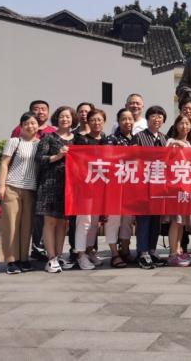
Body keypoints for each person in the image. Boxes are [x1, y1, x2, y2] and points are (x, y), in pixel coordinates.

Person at [10, 100, 56, 262]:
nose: (40, 112)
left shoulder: (52, 132)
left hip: (44, 181)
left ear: (48, 113)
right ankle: (16, 255)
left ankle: (38, 247)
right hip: (21, 182)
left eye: (43, 109)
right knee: (22, 219)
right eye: (36, 109)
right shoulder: (19, 130)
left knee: (41, 216)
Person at [0, 112, 40, 274]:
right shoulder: (14, 142)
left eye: (33, 123)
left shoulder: (41, 144)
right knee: (11, 225)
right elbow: (4, 164)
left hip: (31, 189)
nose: (30, 126)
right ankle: (11, 260)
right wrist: (1, 186)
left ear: (38, 126)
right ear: (21, 126)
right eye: (26, 123)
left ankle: (24, 259)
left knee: (27, 226)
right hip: (12, 187)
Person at [35, 106, 77, 273]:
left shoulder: (77, 139)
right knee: (50, 221)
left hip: (70, 186)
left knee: (63, 223)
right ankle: (51, 258)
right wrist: (58, 156)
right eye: (61, 116)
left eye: (68, 117)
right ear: (56, 119)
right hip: (50, 184)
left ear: (73, 120)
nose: (65, 119)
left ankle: (59, 256)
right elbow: (39, 159)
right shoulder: (48, 137)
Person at [72, 108, 108, 270]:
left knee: (94, 222)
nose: (96, 123)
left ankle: (89, 250)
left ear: (104, 122)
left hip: (101, 186)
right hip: (85, 186)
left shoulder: (107, 140)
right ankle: (80, 254)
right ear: (88, 121)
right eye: (93, 120)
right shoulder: (81, 139)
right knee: (84, 221)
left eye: (99, 120)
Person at [134, 106, 168, 269]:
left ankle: (152, 250)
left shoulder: (164, 138)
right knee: (144, 219)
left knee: (156, 220)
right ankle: (142, 252)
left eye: (160, 116)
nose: (157, 119)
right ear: (147, 119)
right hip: (143, 186)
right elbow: (133, 159)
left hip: (159, 186)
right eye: (153, 116)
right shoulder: (139, 137)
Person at [104, 108, 138, 268]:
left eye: (130, 119)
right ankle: (114, 254)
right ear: (118, 121)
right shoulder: (111, 139)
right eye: (124, 119)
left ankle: (125, 250)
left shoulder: (136, 139)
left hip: (132, 186)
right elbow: (107, 158)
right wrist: (128, 154)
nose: (127, 122)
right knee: (114, 220)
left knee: (127, 221)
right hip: (115, 186)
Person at [67, 101, 95, 265]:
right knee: (78, 221)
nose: (84, 114)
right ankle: (77, 252)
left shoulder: (100, 135)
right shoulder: (73, 136)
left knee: (93, 220)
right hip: (79, 184)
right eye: (81, 111)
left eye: (87, 112)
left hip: (96, 183)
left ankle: (90, 250)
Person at [165, 114, 191, 267]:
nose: (184, 126)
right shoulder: (171, 141)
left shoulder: (189, 144)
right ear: (176, 126)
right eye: (181, 123)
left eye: (187, 123)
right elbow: (166, 155)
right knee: (175, 221)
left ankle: (178, 249)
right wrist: (175, 144)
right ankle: (172, 254)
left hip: (187, 188)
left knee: (182, 222)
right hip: (175, 188)